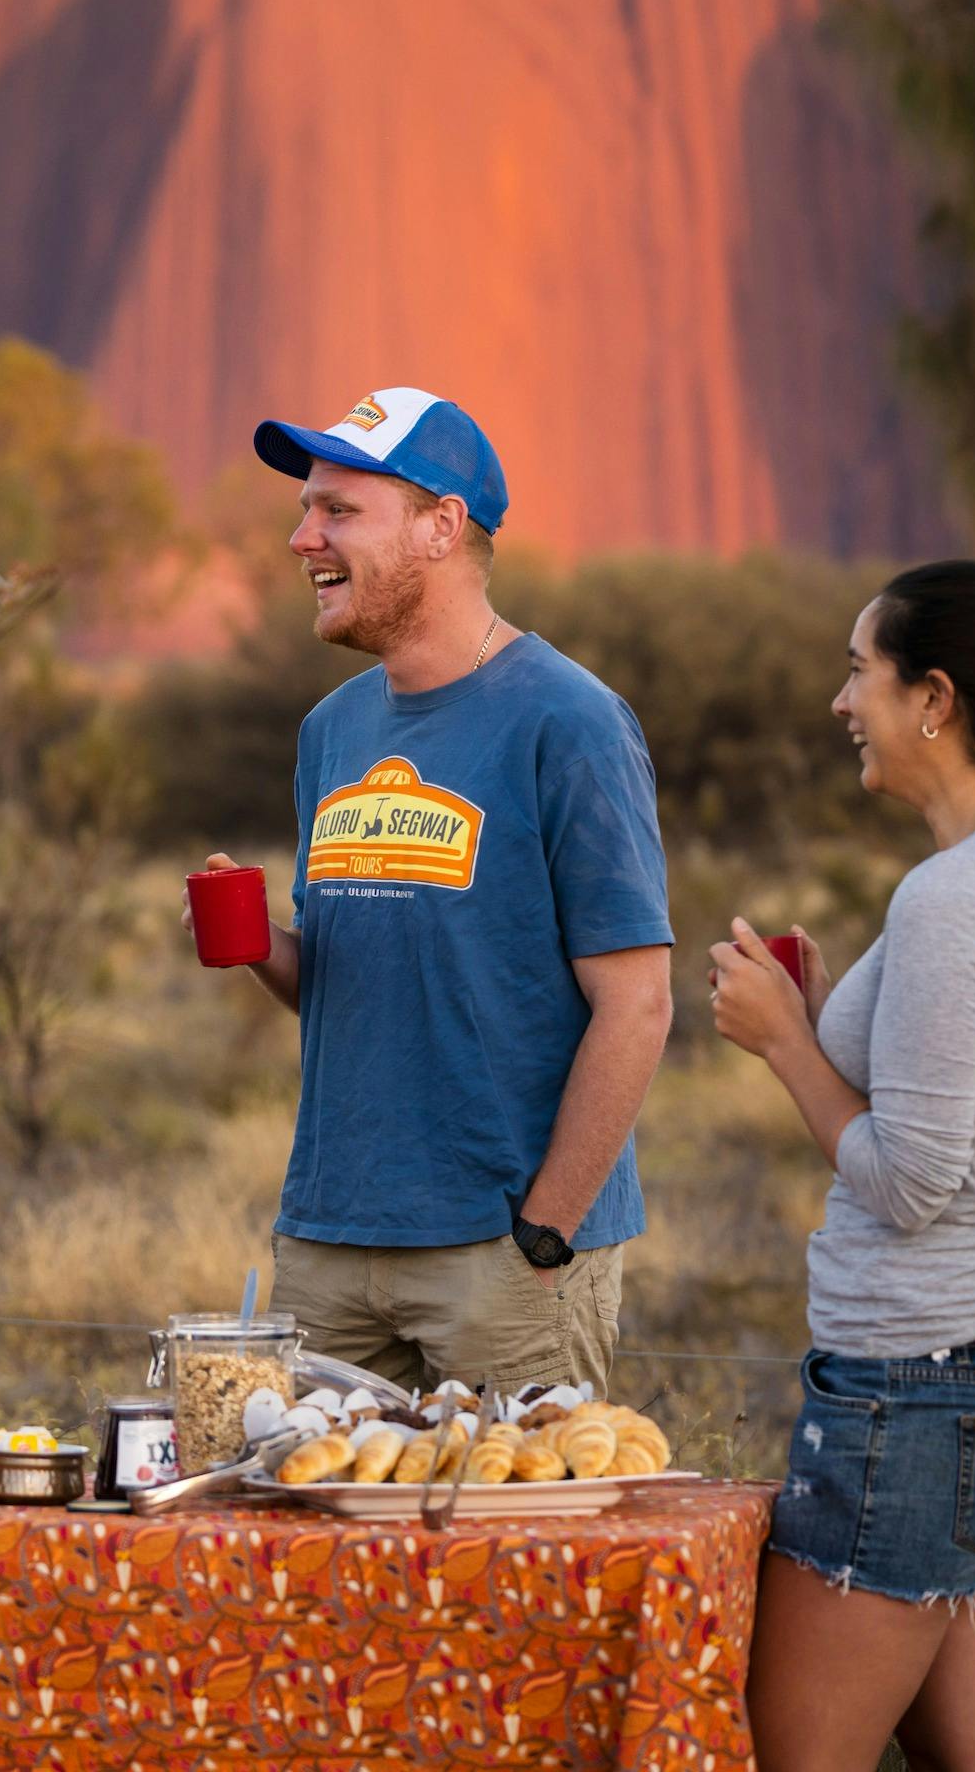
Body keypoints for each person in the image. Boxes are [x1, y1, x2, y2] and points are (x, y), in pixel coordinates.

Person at [711, 561, 975, 1771]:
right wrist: (819, 1019)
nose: (843, 700)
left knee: (787, 1756)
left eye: (861, 671)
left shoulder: (955, 898)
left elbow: (912, 1179)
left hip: (925, 1392)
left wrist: (786, 1040)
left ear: (934, 700)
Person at [190, 388, 674, 1395]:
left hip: (501, 1251)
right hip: (331, 1237)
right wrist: (259, 943)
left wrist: (546, 1229)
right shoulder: (330, 729)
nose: (300, 537)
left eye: (336, 511)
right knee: (311, 1543)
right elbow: (344, 980)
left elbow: (638, 1002)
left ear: (440, 526)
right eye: (305, 508)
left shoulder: (570, 720)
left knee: (508, 1544)